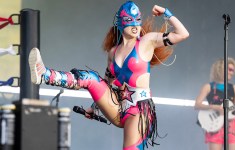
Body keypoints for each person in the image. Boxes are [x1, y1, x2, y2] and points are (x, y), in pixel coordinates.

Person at [28, 1, 189, 150]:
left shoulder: (147, 41)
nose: (134, 24)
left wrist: (166, 12)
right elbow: (107, 85)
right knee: (90, 78)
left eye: (137, 19)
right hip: (119, 108)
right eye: (129, 19)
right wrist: (94, 107)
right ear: (120, 22)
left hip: (140, 111)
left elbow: (182, 34)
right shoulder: (113, 52)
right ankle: (45, 75)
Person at [194, 58, 235, 150]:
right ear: (221, 68)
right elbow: (197, 105)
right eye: (230, 69)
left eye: (233, 70)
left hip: (231, 125)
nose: (232, 72)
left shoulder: (234, 88)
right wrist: (215, 107)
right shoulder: (208, 87)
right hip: (214, 124)